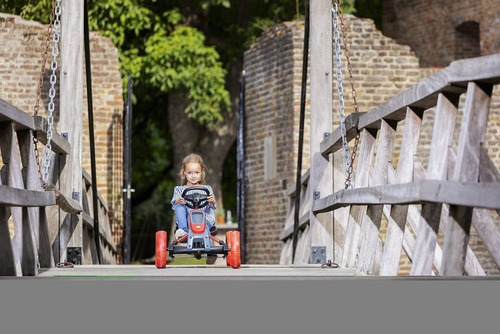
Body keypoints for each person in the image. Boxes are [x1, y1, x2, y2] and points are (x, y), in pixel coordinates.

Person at [170, 153, 217, 240]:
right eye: (189, 173)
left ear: (201, 173)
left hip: (205, 219)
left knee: (206, 225)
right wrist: (179, 201)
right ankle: (183, 231)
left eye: (196, 172)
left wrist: (211, 201)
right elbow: (174, 203)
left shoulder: (207, 189)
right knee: (179, 206)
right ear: (184, 173)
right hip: (187, 219)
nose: (193, 176)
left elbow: (213, 206)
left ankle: (208, 250)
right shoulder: (179, 189)